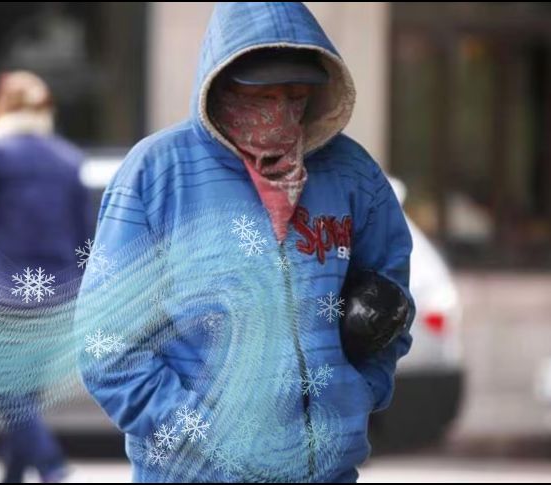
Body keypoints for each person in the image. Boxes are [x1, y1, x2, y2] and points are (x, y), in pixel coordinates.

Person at [80, 3, 414, 483]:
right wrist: (200, 431)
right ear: (222, 86)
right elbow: (106, 344)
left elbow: (392, 297)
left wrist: (361, 391)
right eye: (263, 94)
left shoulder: (352, 174)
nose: (280, 112)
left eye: (295, 95)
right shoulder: (157, 174)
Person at [0, 71, 87, 483]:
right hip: (56, 292)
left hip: (0, 290)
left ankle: (51, 466)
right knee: (23, 390)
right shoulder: (68, 158)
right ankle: (14, 475)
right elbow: (83, 233)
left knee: (3, 385)